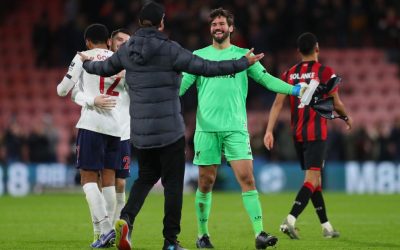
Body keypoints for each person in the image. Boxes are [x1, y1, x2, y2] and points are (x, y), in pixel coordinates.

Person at [79, 2, 264, 250]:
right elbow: (208, 68)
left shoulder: (127, 49)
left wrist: (86, 63)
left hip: (141, 132)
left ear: (140, 22)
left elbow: (103, 68)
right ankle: (170, 241)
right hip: (169, 131)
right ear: (162, 22)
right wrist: (242, 63)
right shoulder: (170, 49)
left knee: (145, 177)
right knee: (173, 186)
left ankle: (125, 219)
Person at [179, 8, 307, 250]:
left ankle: (259, 233)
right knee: (206, 182)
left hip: (235, 129)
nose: (217, 27)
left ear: (231, 28)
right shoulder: (197, 56)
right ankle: (203, 235)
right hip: (206, 130)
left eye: (222, 24)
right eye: (214, 24)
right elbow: (181, 87)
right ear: (210, 29)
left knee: (248, 179)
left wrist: (295, 90)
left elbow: (267, 80)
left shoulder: (243, 56)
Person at [264, 32, 352, 240]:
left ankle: (327, 227)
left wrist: (269, 130)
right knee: (312, 179)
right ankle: (290, 220)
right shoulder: (325, 72)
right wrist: (346, 117)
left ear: (298, 51)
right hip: (316, 133)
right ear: (317, 48)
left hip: (298, 134)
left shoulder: (288, 73)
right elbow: (336, 102)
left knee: (314, 180)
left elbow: (277, 103)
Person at [57, 23, 124, 248]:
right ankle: (102, 234)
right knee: (108, 182)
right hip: (116, 127)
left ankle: (105, 230)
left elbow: (62, 90)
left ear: (87, 42)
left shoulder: (83, 57)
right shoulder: (118, 59)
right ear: (108, 41)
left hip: (92, 124)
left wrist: (86, 97)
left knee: (87, 180)